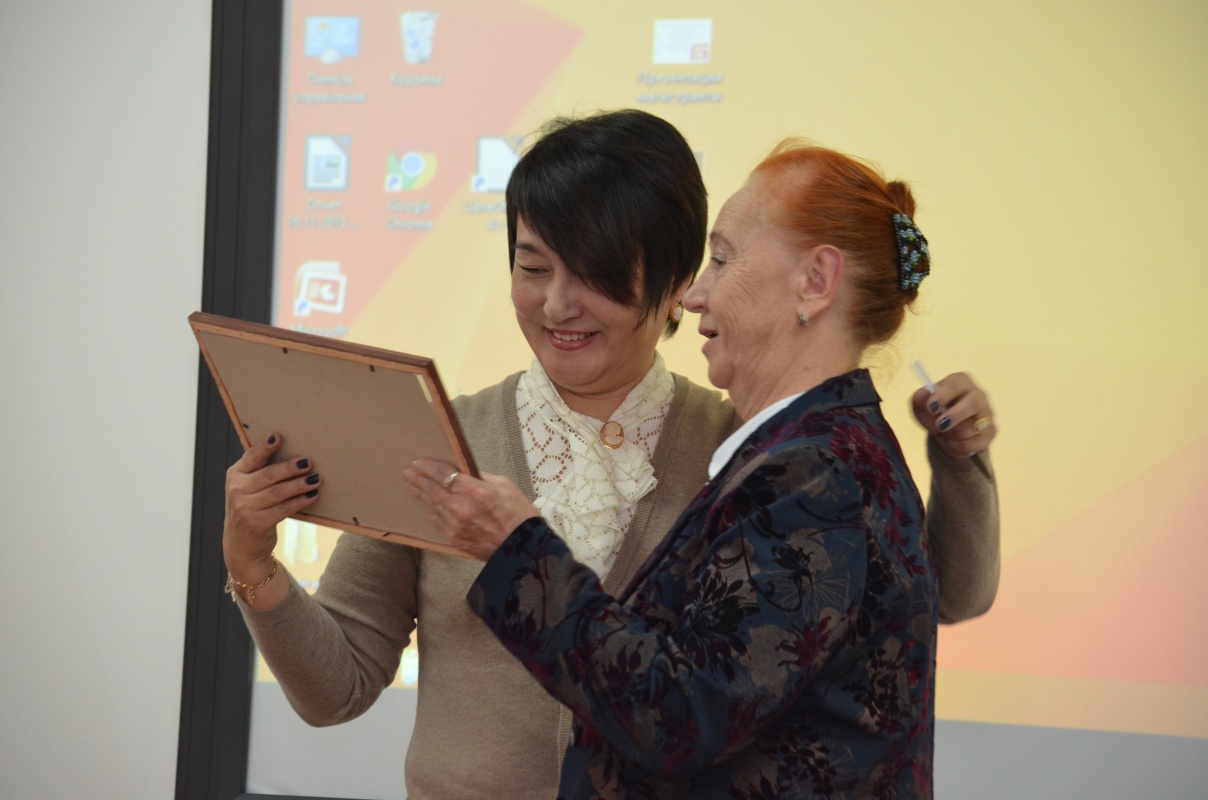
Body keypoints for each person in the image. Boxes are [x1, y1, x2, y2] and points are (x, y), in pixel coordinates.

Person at [223, 111, 999, 799]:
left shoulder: (744, 452)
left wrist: (961, 464)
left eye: (595, 274)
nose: (557, 303)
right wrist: (253, 563)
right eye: (533, 267)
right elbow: (336, 689)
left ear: (675, 283)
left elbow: (925, 599)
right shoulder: (439, 440)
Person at [405, 139, 958, 798]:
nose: (694, 294)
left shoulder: (812, 474)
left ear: (815, 282)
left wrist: (519, 553)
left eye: (721, 259)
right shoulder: (817, 451)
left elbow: (680, 717)